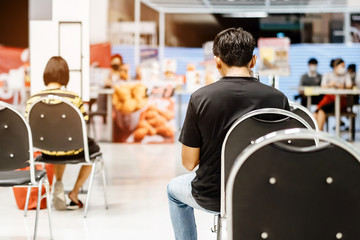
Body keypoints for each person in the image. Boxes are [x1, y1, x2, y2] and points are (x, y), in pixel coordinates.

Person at [167, 28, 290, 240]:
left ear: (217, 61)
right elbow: (285, 154)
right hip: (264, 193)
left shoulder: (200, 98)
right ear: (253, 61)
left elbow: (189, 163)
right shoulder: (277, 99)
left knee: (173, 191)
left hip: (213, 195)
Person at [25, 56, 100, 210]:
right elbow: (83, 122)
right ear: (66, 76)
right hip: (72, 149)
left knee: (57, 142)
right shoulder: (73, 98)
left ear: (46, 74)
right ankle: (74, 191)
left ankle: (58, 183)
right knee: (94, 150)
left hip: (45, 151)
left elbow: (27, 125)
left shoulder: (33, 100)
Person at [314, 58, 352, 131]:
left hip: (341, 101)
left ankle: (319, 135)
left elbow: (349, 86)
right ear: (335, 67)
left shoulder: (346, 75)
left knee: (320, 111)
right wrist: (331, 84)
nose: (343, 68)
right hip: (329, 99)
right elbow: (323, 86)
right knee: (316, 114)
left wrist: (342, 86)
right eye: (342, 66)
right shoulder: (328, 74)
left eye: (344, 66)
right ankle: (317, 135)